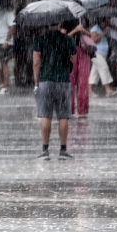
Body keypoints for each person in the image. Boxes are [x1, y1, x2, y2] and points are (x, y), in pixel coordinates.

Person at [31, 19, 78, 159]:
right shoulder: (68, 40)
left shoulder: (40, 40)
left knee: (46, 116)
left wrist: (36, 81)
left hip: (45, 80)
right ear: (59, 24)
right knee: (63, 116)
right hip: (63, 80)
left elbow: (36, 62)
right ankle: (63, 150)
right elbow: (73, 59)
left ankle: (45, 150)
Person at [68, 21, 93, 118]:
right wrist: (75, 30)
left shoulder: (84, 19)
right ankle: (68, 108)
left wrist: (84, 31)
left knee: (83, 82)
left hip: (84, 51)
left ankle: (82, 110)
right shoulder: (67, 19)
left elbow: (91, 35)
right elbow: (63, 37)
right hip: (70, 52)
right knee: (70, 81)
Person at [0, 6, 17, 94]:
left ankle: (5, 85)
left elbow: (12, 27)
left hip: (5, 41)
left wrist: (7, 41)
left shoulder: (9, 13)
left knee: (3, 63)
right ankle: (1, 82)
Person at [88, 24, 116, 96]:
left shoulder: (103, 28)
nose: (107, 22)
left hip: (102, 53)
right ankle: (108, 89)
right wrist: (102, 34)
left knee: (95, 73)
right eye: (105, 21)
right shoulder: (95, 28)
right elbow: (94, 40)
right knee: (104, 69)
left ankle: (89, 90)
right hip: (96, 53)